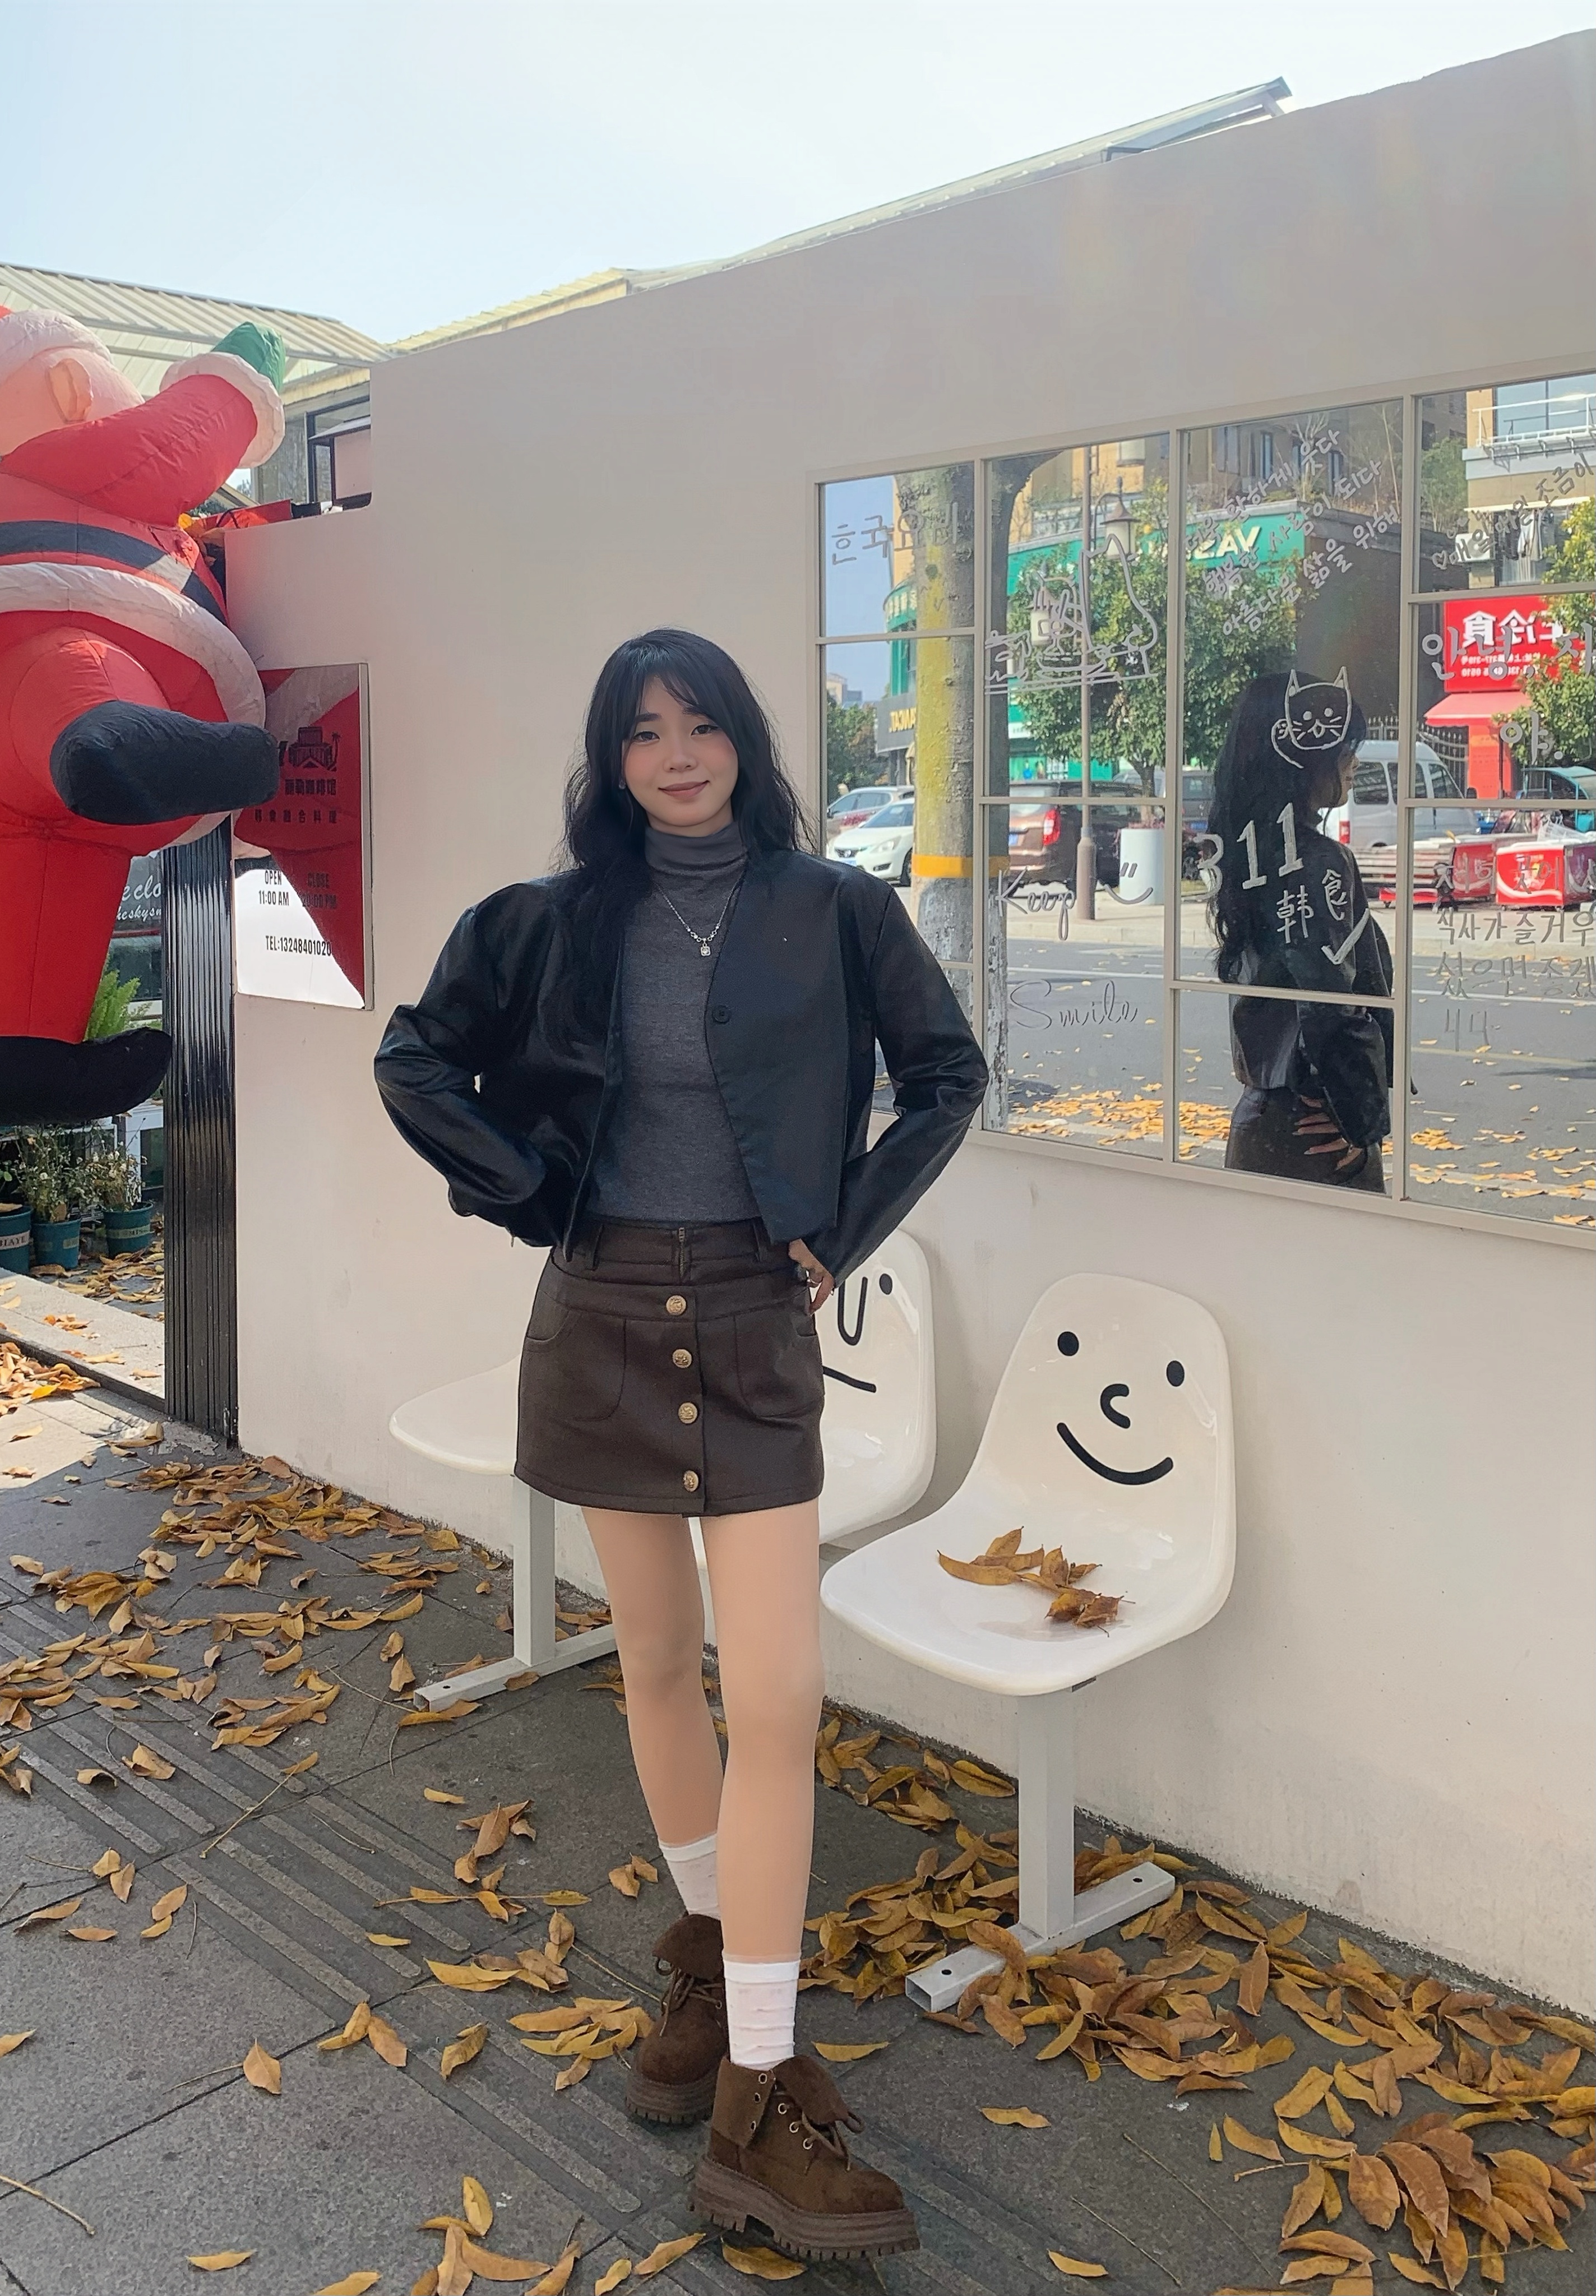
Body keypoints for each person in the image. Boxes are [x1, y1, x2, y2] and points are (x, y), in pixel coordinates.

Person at [374, 628, 986, 2262]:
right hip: (598, 1312)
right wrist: (530, 1192)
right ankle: (720, 1983)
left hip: (751, 1311)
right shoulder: (548, 919)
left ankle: (757, 2088)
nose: (676, 753)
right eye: (642, 730)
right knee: (652, 1660)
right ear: (611, 757)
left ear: (742, 740)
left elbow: (944, 1074)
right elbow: (413, 1056)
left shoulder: (836, 909)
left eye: (699, 721)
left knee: (774, 1695)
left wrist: (839, 1228)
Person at [1206, 670, 1393, 1188]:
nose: (1354, 762)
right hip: (1317, 1134)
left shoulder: (1250, 855)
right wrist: (1361, 1119)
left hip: (1264, 1118)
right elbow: (1330, 1003)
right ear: (1300, 761)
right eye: (1343, 749)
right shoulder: (1318, 861)